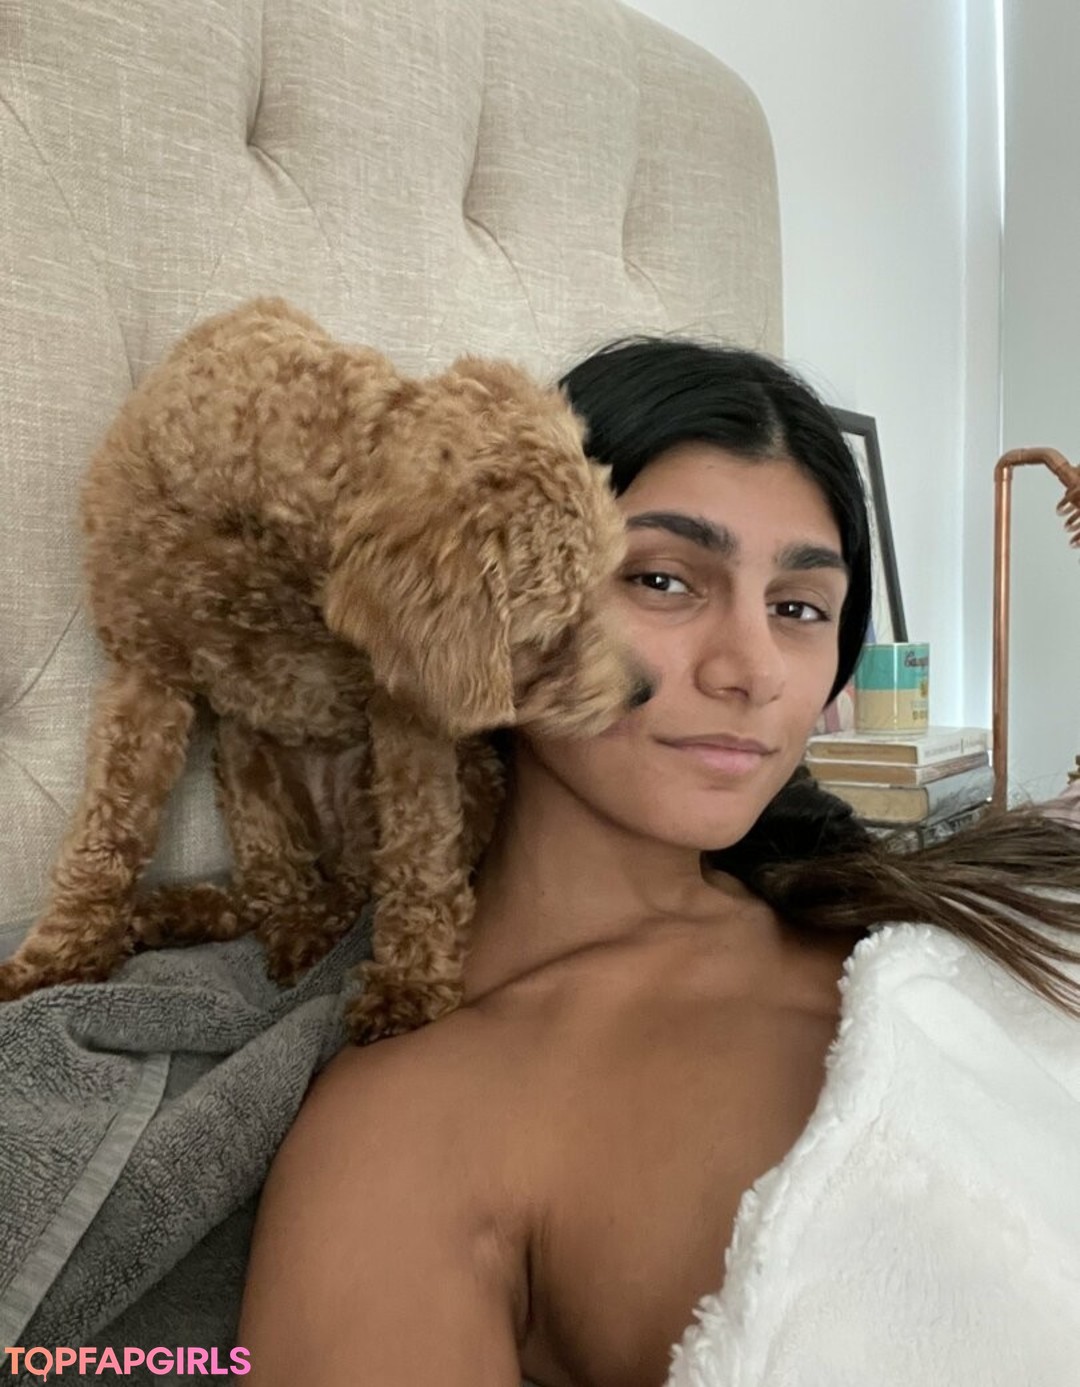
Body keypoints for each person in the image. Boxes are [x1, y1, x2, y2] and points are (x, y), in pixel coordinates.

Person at [234, 339, 1080, 1386]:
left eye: (798, 607)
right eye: (664, 579)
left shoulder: (896, 924)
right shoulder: (409, 1128)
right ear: (505, 599)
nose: (754, 669)